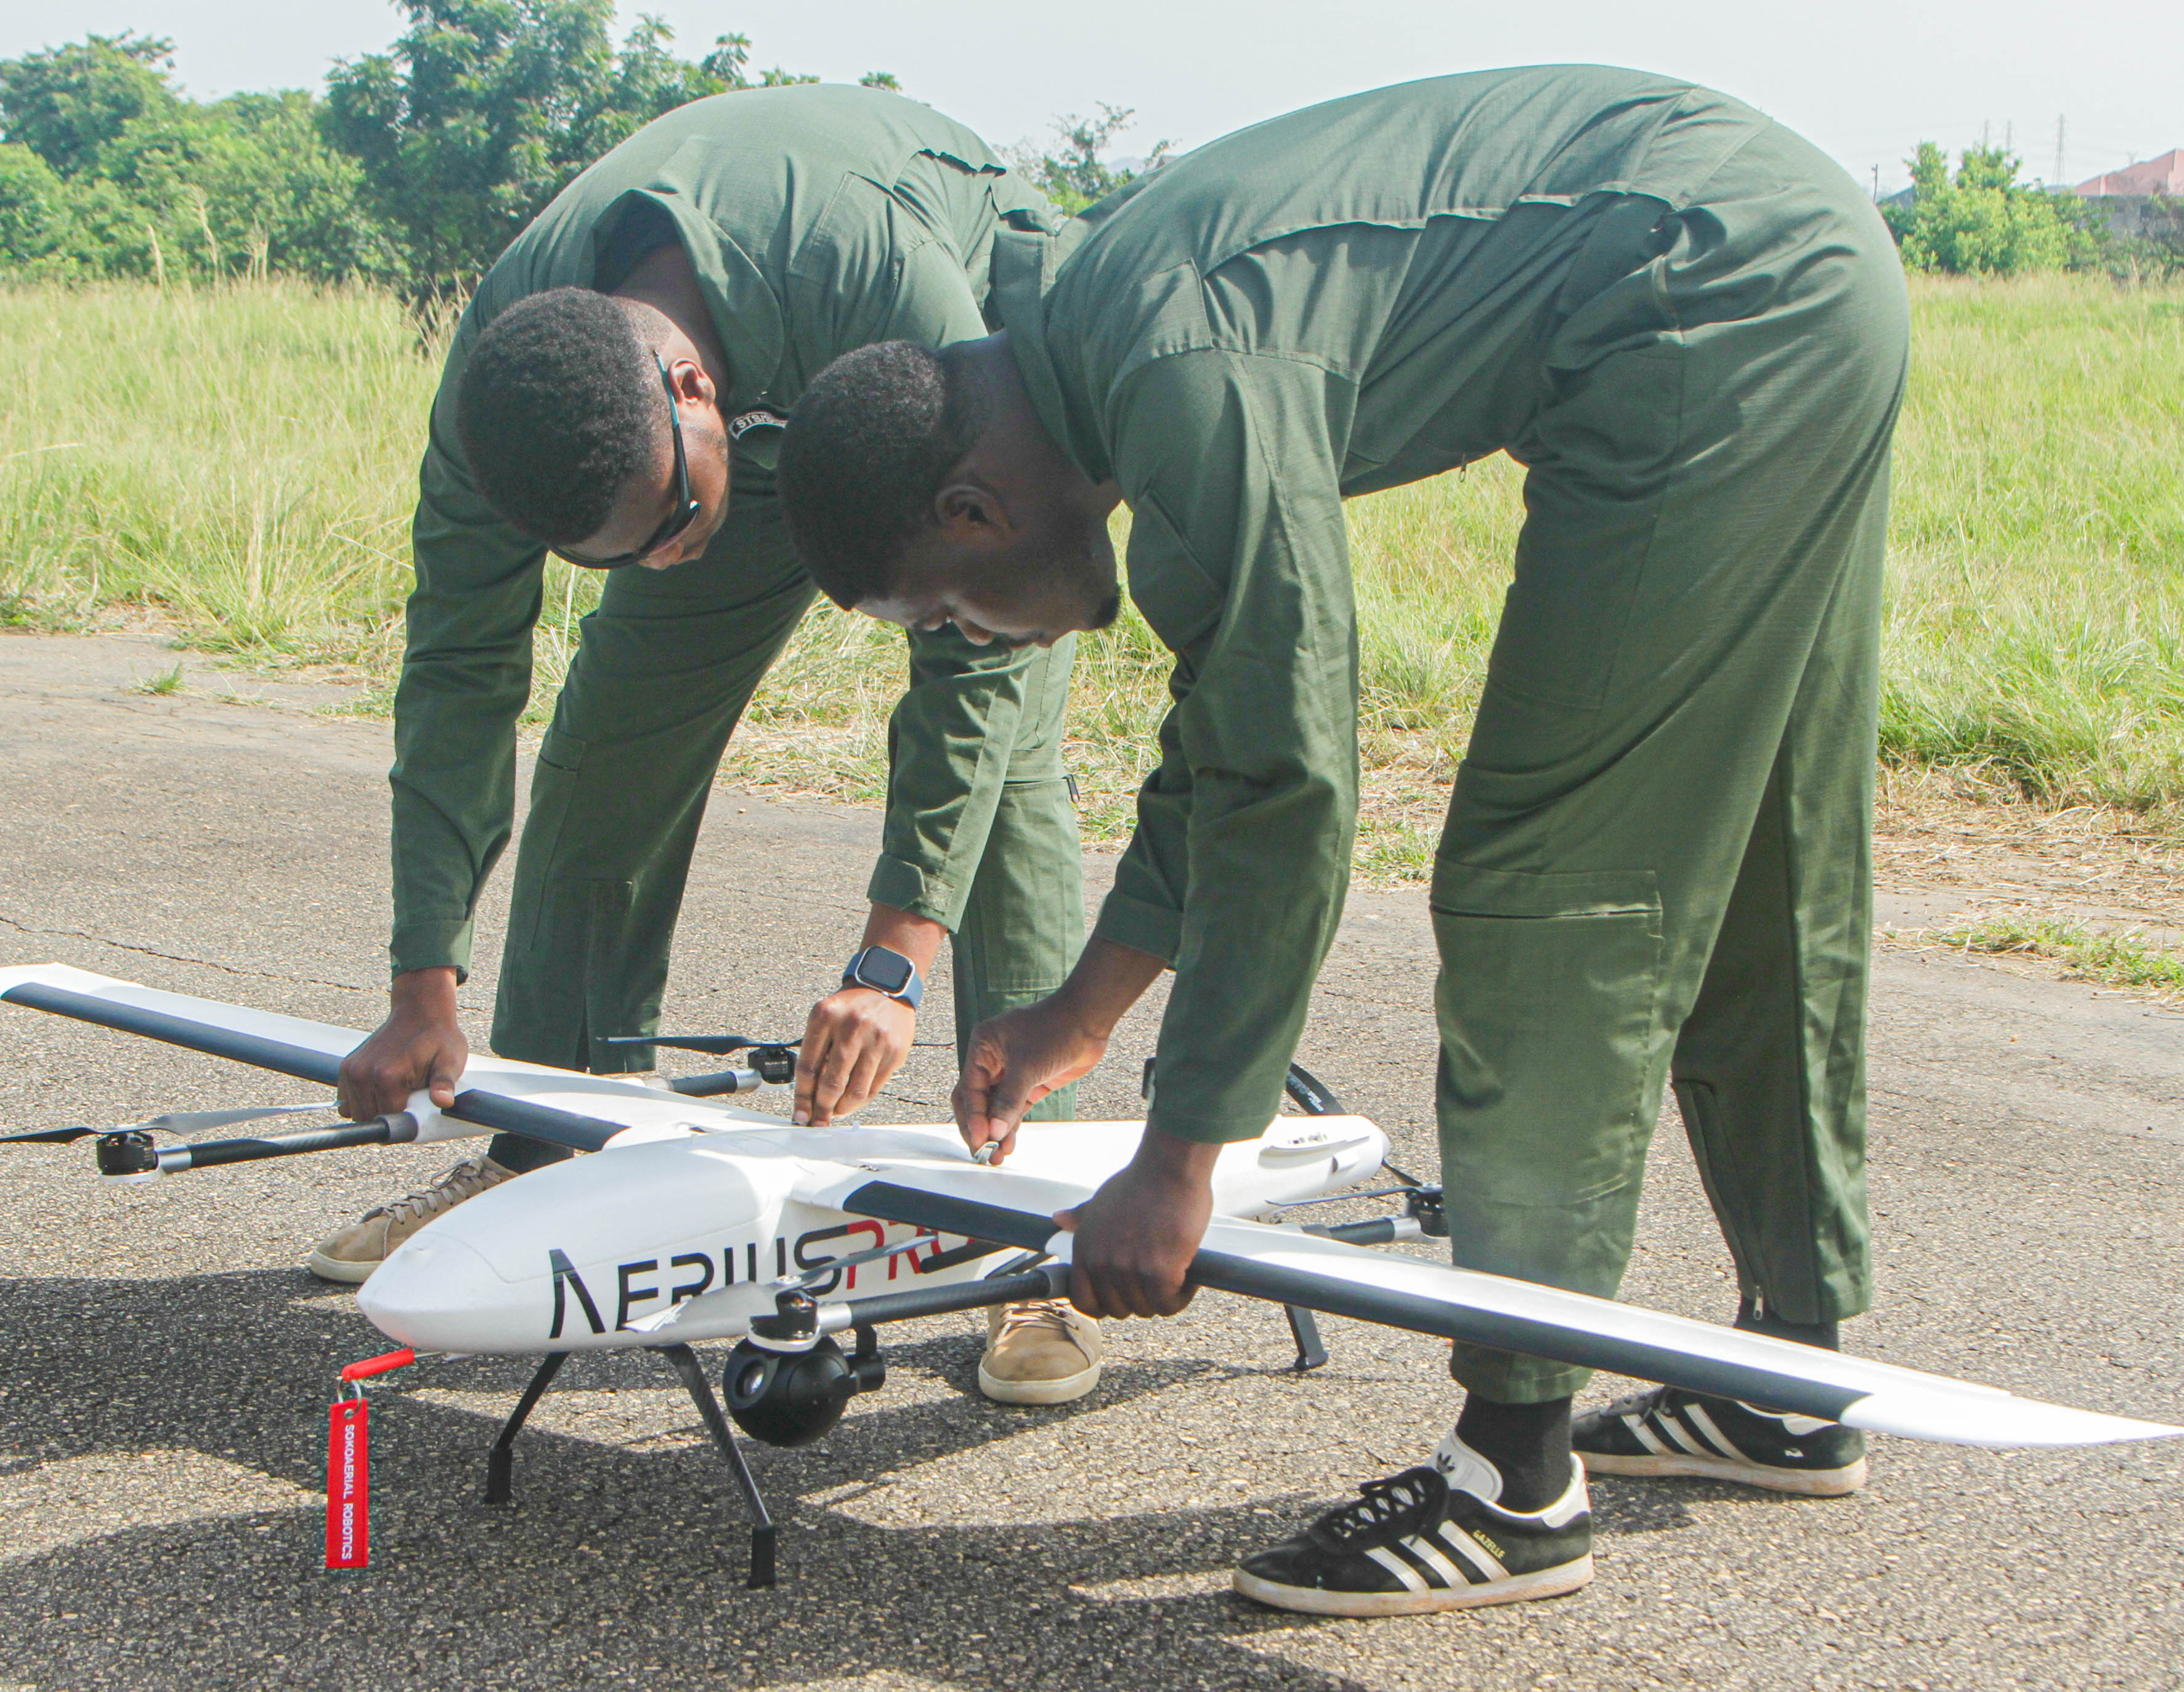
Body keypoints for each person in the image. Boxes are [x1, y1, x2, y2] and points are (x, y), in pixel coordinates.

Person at [777, 67, 1910, 1609]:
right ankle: (1789, 1373)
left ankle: (1513, 1474)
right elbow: (1230, 731)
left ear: (972, 511)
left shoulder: (1174, 367)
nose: (983, 636)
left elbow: (1291, 780)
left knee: (1549, 885)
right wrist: (1080, 1016)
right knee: (1757, 857)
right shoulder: (1111, 351)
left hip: (1713, 301)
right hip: (1785, 255)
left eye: (952, 612)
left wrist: (1182, 1164)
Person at [318, 83, 1110, 1405]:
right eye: (631, 552)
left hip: (967, 388)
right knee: (608, 742)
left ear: (693, 387)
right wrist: (423, 982)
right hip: (719, 435)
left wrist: (894, 960)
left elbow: (968, 678)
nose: (669, 564)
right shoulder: (507, 395)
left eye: (671, 528)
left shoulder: (873, 265)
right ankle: (549, 1151)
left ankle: (1037, 1233)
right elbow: (457, 673)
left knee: (1010, 778)